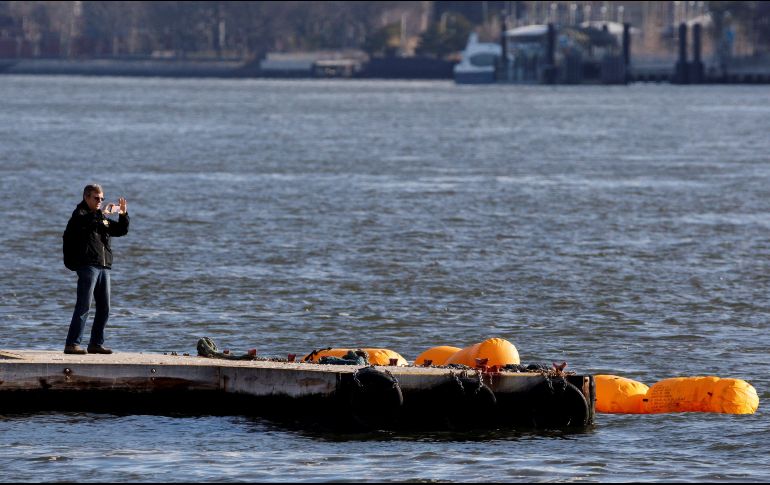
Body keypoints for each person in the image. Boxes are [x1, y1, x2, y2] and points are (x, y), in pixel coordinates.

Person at [64, 184, 129, 355]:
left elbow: (121, 230)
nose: (100, 201)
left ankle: (96, 344)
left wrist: (122, 214)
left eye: (102, 198)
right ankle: (72, 344)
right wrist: (104, 213)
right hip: (87, 266)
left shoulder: (100, 217)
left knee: (104, 307)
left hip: (104, 266)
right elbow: (88, 221)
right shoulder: (80, 215)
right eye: (96, 198)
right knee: (84, 305)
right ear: (86, 197)